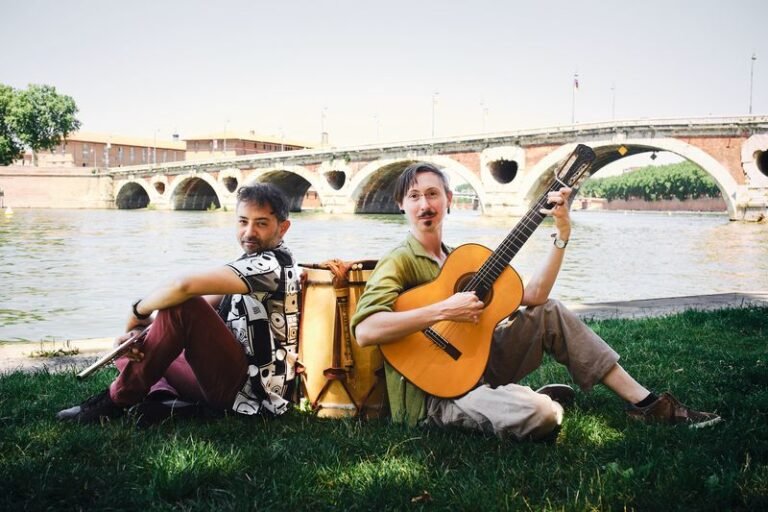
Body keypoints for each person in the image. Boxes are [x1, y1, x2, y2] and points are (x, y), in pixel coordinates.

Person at [351, 162, 721, 440]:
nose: (424, 204)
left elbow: (535, 296)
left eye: (432, 194)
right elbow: (367, 330)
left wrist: (561, 234)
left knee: (550, 311)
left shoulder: (459, 259)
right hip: (431, 397)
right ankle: (521, 400)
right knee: (546, 416)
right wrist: (444, 309)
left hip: (474, 363)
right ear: (401, 204)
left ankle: (648, 404)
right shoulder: (399, 259)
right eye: (414, 196)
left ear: (449, 200)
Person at [57, 183, 301, 426]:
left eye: (261, 223)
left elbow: (183, 288)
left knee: (182, 304)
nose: (249, 232)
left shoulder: (270, 266)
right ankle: (165, 400)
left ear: (282, 228)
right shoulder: (251, 262)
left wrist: (138, 311)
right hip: (232, 376)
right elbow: (199, 313)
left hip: (251, 391)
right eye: (242, 221)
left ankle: (115, 400)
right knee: (135, 349)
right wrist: (143, 331)